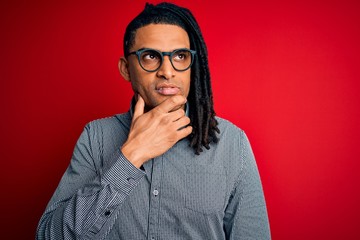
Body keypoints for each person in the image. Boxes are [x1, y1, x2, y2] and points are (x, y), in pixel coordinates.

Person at [36, 2, 271, 239]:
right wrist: (131, 156)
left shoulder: (232, 143)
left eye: (180, 56)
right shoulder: (95, 136)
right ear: (126, 69)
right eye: (150, 56)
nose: (167, 71)